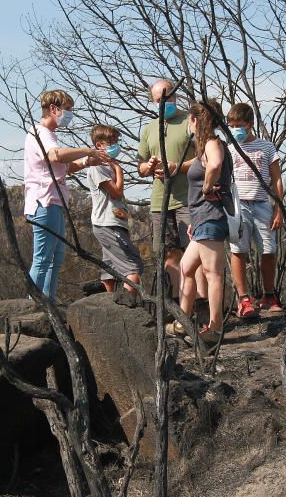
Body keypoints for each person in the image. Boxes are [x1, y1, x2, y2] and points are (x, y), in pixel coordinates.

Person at [24, 89, 107, 300]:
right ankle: (32, 305)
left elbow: (65, 167)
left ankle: (48, 301)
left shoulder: (50, 135)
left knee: (56, 257)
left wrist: (86, 162)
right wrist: (87, 151)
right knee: (43, 258)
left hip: (56, 202)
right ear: (53, 109)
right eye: (67, 110)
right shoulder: (39, 133)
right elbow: (56, 155)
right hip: (44, 201)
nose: (69, 115)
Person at [166, 100, 232, 344]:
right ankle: (183, 322)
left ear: (195, 120)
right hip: (202, 219)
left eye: (189, 120)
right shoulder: (204, 148)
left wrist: (206, 186)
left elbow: (214, 165)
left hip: (212, 218)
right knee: (186, 268)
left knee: (213, 273)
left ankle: (215, 327)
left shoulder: (213, 144)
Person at [138, 79, 196, 299]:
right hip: (160, 201)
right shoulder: (149, 129)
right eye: (157, 100)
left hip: (188, 199)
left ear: (175, 95)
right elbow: (140, 167)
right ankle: (176, 303)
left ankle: (198, 304)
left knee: (193, 251)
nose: (163, 103)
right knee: (168, 252)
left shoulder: (189, 121)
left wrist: (177, 167)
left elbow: (205, 157)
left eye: (167, 97)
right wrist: (150, 167)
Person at [226, 102, 285, 316]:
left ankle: (269, 296)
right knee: (239, 250)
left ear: (249, 124)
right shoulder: (228, 148)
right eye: (231, 126)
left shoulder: (266, 147)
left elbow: (277, 179)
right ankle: (243, 299)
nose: (235, 130)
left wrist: (278, 209)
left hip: (262, 203)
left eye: (239, 125)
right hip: (238, 205)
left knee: (269, 250)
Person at [86, 124, 143, 293]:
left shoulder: (108, 166)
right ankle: (127, 305)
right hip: (107, 223)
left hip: (116, 222)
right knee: (132, 266)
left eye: (116, 141)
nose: (115, 145)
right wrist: (119, 170)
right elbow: (117, 193)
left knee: (110, 269)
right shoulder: (98, 167)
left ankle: (109, 304)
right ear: (99, 145)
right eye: (110, 141)